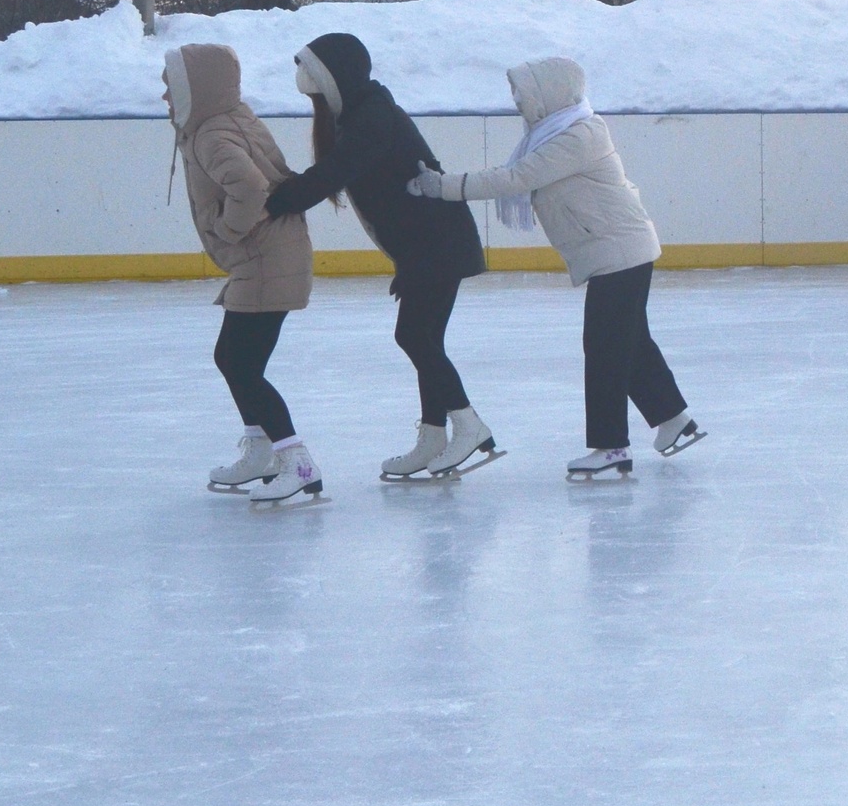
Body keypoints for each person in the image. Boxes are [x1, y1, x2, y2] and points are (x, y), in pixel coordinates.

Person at [410, 57, 705, 480]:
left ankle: (611, 447)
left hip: (618, 251)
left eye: (522, 95)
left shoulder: (577, 137)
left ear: (546, 95)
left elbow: (514, 178)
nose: (517, 104)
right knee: (630, 343)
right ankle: (673, 419)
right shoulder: (559, 132)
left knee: (605, 349)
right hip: (619, 250)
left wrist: (444, 187)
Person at [264, 33, 499, 480]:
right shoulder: (358, 113)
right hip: (429, 245)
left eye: (313, 78)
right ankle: (434, 436)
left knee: (414, 336)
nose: (307, 87)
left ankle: (467, 423)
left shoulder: (371, 118)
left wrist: (278, 200)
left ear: (335, 78)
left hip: (438, 243)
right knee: (424, 337)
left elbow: (335, 171)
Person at [169, 44, 323, 505]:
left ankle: (295, 461)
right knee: (234, 359)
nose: (164, 95)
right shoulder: (231, 118)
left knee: (239, 364)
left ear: (193, 88)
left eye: (170, 85)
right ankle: (260, 449)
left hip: (264, 259)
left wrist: (229, 229)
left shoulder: (212, 135)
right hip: (272, 255)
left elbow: (251, 186)